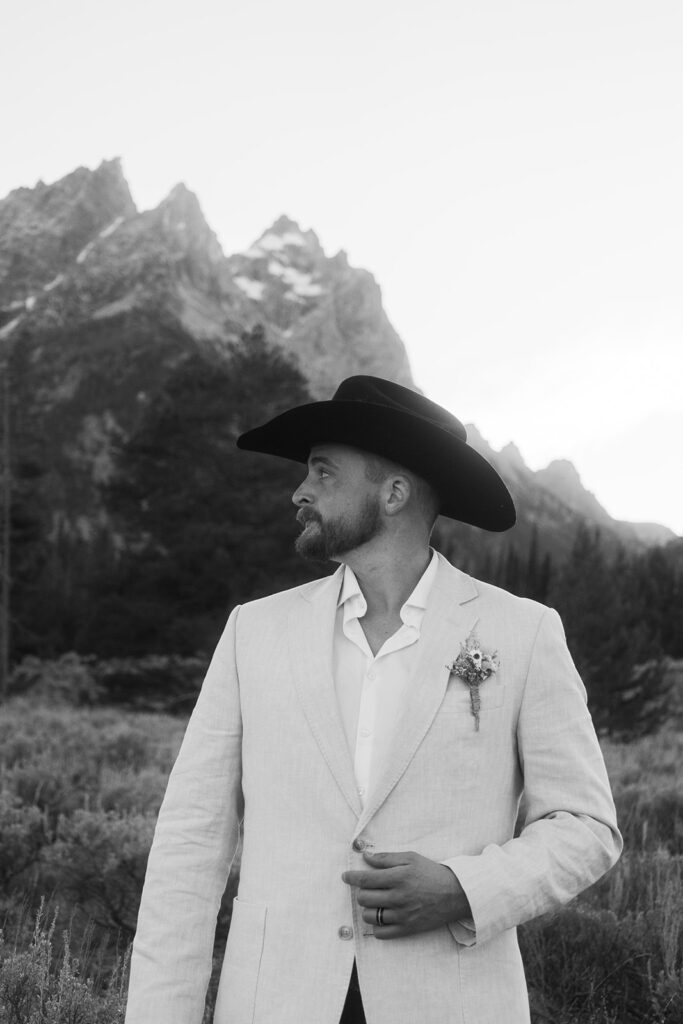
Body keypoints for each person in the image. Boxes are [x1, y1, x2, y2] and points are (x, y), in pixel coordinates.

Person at [125, 375, 622, 1024]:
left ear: (392, 493)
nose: (299, 492)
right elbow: (190, 843)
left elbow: (586, 828)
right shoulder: (255, 631)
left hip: (451, 1002)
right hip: (273, 1001)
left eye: (323, 474)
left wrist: (463, 889)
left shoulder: (521, 632)